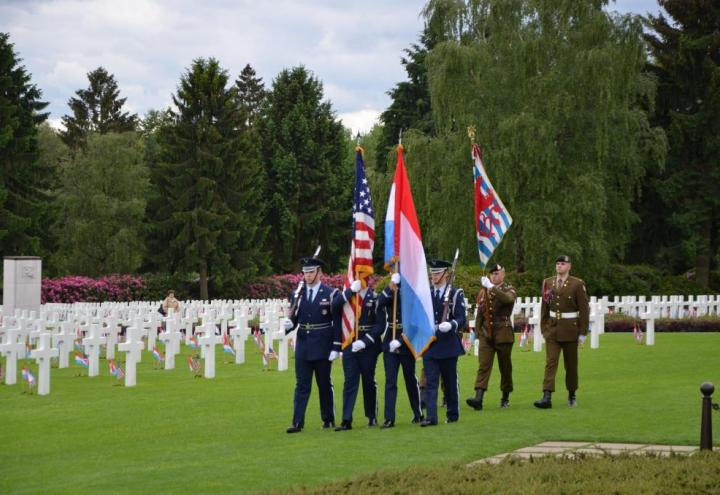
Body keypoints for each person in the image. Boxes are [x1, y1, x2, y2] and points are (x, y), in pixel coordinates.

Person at [282, 257, 343, 433]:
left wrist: (336, 347)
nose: (307, 276)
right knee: (301, 385)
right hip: (303, 344)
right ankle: (297, 422)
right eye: (305, 273)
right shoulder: (297, 294)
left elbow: (337, 322)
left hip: (323, 343)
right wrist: (288, 325)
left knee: (324, 384)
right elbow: (294, 317)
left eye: (311, 272)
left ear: (319, 272)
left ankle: (328, 418)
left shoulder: (331, 294)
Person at [534, 255, 589, 409]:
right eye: (557, 263)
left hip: (571, 329)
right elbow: (544, 307)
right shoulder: (548, 282)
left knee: (571, 365)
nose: (559, 266)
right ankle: (547, 396)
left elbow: (584, 310)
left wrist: (583, 333)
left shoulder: (577, 284)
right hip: (552, 329)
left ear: (569, 266)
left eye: (563, 264)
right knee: (551, 362)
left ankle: (572, 393)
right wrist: (544, 328)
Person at [420, 258, 466, 426]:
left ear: (446, 274)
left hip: (447, 345)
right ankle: (431, 417)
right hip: (430, 344)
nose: (434, 277)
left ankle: (452, 414)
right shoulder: (427, 294)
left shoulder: (455, 293)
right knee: (430, 382)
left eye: (437, 273)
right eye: (432, 273)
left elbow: (462, 318)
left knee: (449, 383)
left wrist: (451, 324)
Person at [332, 278, 382, 431]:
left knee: (368, 381)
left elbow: (380, 324)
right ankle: (346, 419)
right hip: (349, 343)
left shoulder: (374, 298)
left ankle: (372, 416)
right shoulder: (348, 295)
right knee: (350, 382)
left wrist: (366, 341)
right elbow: (335, 306)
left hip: (369, 346)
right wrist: (350, 291)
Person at [376, 272, 423, 428]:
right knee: (390, 380)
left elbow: (416, 324)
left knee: (410, 378)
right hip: (390, 338)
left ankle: (418, 413)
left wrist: (402, 341)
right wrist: (390, 287)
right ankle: (389, 418)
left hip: (406, 340)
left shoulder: (412, 293)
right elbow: (379, 303)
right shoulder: (392, 289)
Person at [467, 264, 517, 410]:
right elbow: (481, 313)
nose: (494, 276)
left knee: (505, 367)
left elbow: (508, 300)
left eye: (497, 273)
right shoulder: (483, 292)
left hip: (503, 332)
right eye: (492, 274)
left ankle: (505, 396)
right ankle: (478, 397)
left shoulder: (509, 289)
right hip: (486, 333)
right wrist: (476, 333)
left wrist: (491, 288)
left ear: (503, 274)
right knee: (483, 366)